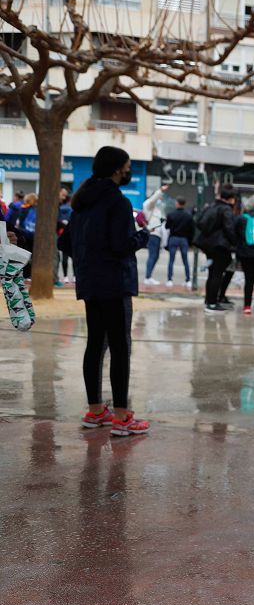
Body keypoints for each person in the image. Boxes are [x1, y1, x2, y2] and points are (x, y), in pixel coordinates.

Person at [65, 146, 151, 436]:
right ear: (117, 169)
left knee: (95, 345)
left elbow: (65, 244)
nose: (128, 171)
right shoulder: (118, 202)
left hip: (89, 282)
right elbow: (120, 245)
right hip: (114, 283)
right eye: (127, 166)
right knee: (120, 347)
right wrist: (142, 237)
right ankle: (122, 418)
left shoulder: (82, 202)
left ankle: (96, 411)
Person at [196, 184, 238, 313]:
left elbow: (199, 221)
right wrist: (235, 243)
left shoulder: (212, 206)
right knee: (217, 275)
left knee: (212, 274)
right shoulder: (226, 210)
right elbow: (229, 228)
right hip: (220, 246)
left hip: (209, 246)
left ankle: (209, 300)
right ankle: (213, 303)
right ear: (231, 198)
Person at [142, 184, 170, 285]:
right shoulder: (148, 205)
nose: (160, 200)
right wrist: (160, 191)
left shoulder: (157, 210)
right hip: (153, 234)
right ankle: (147, 277)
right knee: (152, 255)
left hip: (158, 235)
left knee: (156, 256)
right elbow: (153, 200)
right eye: (159, 198)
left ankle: (149, 276)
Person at [164, 197, 194, 287]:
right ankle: (188, 280)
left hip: (173, 238)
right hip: (184, 239)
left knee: (171, 260)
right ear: (184, 204)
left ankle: (169, 280)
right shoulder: (188, 216)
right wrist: (190, 241)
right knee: (185, 260)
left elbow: (166, 227)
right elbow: (191, 229)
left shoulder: (171, 214)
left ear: (177, 203)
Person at [14, 193, 37, 279]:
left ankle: (25, 274)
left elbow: (19, 222)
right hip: (34, 235)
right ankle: (31, 274)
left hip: (24, 234)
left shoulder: (23, 208)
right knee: (34, 255)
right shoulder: (37, 209)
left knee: (24, 255)